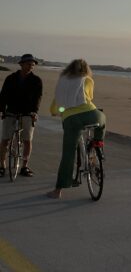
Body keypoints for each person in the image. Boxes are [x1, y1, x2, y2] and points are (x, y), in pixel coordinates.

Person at [47, 59, 106, 199]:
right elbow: (89, 97)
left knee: (68, 154)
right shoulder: (87, 79)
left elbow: (56, 104)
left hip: (71, 119)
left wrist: (57, 111)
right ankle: (98, 143)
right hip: (91, 114)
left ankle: (58, 191)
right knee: (102, 119)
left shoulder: (62, 81)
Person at [0, 53, 43, 177]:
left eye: (33, 64)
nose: (31, 66)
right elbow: (3, 95)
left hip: (28, 112)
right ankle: (2, 165)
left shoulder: (36, 80)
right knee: (5, 139)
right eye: (28, 64)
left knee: (27, 140)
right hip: (11, 111)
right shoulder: (11, 78)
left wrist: (35, 112)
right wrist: (2, 110)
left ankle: (24, 166)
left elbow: (38, 98)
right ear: (21, 64)